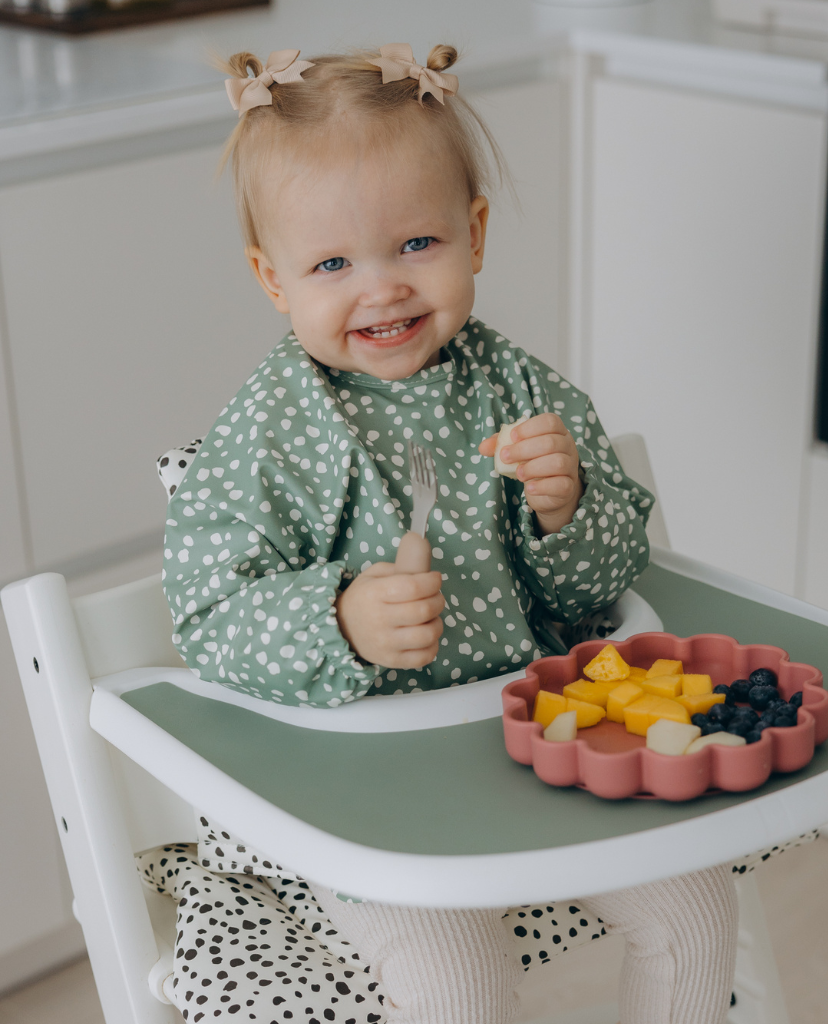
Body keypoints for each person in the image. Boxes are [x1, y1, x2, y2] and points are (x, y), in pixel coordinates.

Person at [162, 43, 737, 1024]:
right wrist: (337, 618)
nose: (380, 288)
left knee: (693, 906)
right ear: (272, 277)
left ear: (473, 234)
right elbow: (208, 617)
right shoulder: (261, 437)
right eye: (333, 264)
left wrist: (566, 509)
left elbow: (600, 583)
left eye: (414, 245)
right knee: (460, 984)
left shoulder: (519, 391)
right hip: (357, 795)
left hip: (528, 747)